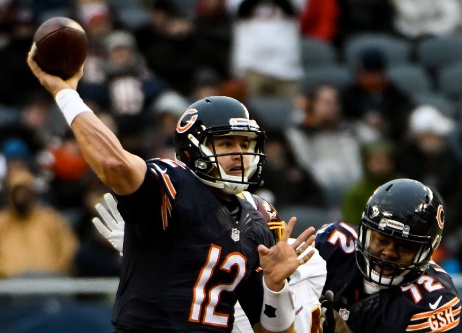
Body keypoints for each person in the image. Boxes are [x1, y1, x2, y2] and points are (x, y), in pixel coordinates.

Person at [27, 51, 315, 332]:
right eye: (226, 144)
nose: (239, 155)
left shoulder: (256, 224)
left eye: (244, 144)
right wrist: (66, 93)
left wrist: (275, 288)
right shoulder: (174, 184)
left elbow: (267, 329)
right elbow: (113, 163)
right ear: (193, 150)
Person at [92, 192, 327, 333]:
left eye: (267, 240)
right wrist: (149, 253)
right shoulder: (313, 263)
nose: (265, 252)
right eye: (253, 243)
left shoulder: (310, 262)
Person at [315, 178, 462, 332]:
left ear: (425, 251)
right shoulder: (332, 245)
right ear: (365, 233)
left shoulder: (434, 298)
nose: (389, 252)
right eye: (381, 240)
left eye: (404, 247)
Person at [0, 168, 78, 278]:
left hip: (50, 282)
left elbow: (68, 246)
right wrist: (3, 272)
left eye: (24, 191)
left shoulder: (50, 218)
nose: (20, 197)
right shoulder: (0, 222)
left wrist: (57, 268)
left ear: (32, 193)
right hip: (9, 286)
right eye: (16, 191)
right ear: (9, 194)